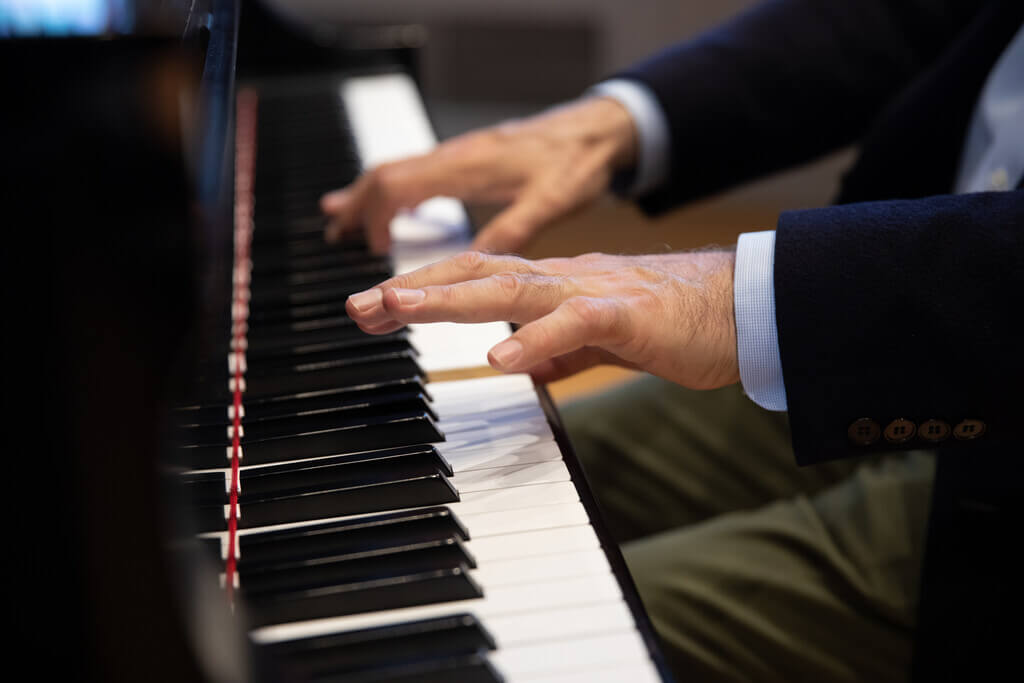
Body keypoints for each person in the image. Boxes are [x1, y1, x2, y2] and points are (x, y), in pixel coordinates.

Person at [323, 0, 1024, 681]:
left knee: (484, 641)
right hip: (878, 318)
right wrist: (617, 120)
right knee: (447, 475)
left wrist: (737, 298)